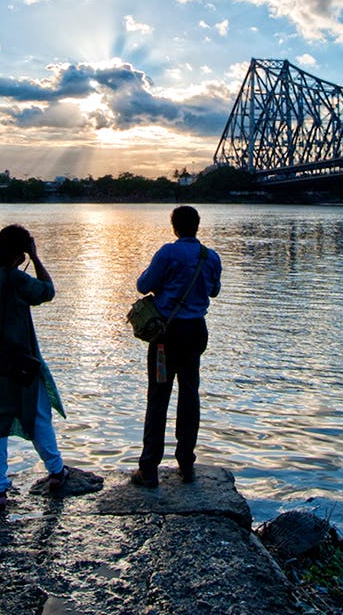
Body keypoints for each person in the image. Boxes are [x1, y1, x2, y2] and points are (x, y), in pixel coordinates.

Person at [0, 224, 71, 510]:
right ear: (19, 253)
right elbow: (48, 291)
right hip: (16, 362)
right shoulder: (15, 280)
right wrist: (35, 259)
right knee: (37, 414)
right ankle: (57, 470)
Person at [130, 205, 222, 487]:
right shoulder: (211, 256)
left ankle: (149, 468)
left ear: (174, 226)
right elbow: (214, 291)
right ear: (197, 225)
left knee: (158, 396)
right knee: (189, 395)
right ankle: (186, 464)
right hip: (195, 332)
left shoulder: (168, 252)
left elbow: (143, 285)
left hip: (165, 337)